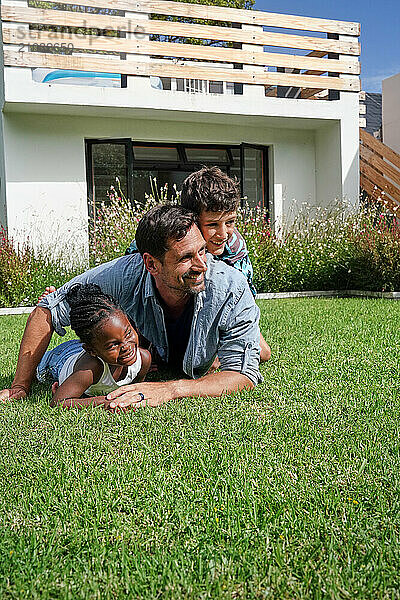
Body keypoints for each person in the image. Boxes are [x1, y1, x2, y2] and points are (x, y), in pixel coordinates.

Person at [0, 205, 262, 410]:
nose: (202, 265)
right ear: (151, 264)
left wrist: (170, 390)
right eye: (185, 257)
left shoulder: (231, 287)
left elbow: (242, 376)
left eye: (202, 251)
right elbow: (46, 310)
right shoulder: (122, 275)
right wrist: (20, 385)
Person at [37, 283, 151, 408]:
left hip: (91, 347)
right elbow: (58, 402)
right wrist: (103, 401)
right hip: (59, 359)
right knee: (39, 368)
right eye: (114, 345)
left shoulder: (143, 359)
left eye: (128, 333)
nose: (126, 346)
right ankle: (49, 302)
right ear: (92, 351)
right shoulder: (91, 368)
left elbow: (135, 390)